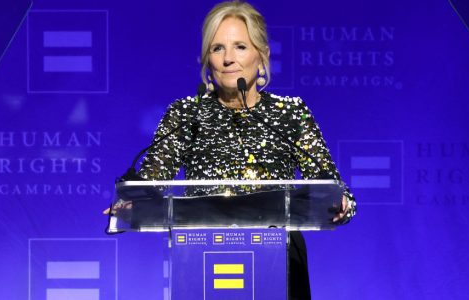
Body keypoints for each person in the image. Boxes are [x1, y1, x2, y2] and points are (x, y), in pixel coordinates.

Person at [137, 1, 356, 299]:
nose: (228, 59)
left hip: (280, 265)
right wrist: (133, 201)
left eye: (240, 46)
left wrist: (339, 202)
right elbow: (150, 182)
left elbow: (330, 187)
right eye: (217, 48)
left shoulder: (289, 113)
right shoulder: (185, 114)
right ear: (206, 60)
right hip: (203, 262)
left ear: (262, 56)